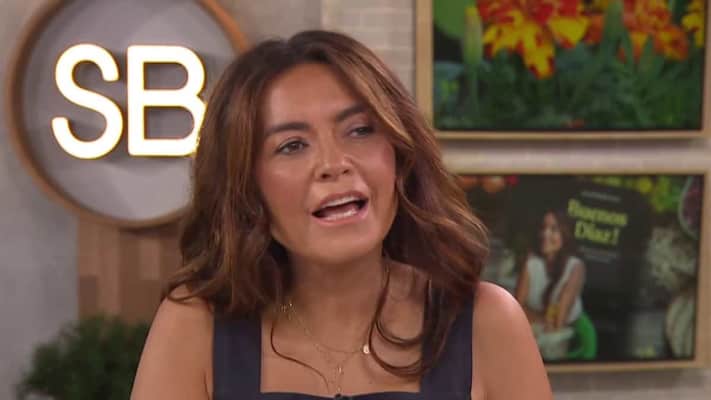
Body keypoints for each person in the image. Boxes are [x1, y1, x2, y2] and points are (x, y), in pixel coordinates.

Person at [130, 30, 551, 399]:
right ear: (246, 186)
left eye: (360, 130)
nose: (334, 164)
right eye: (292, 145)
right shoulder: (195, 326)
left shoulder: (486, 322)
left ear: (399, 157)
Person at [514, 210, 592, 360]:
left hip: (562, 337)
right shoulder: (532, 264)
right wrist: (542, 320)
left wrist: (535, 318)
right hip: (533, 332)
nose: (545, 234)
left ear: (565, 234)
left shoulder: (575, 267)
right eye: (543, 228)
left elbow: (559, 320)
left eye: (553, 229)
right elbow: (517, 308)